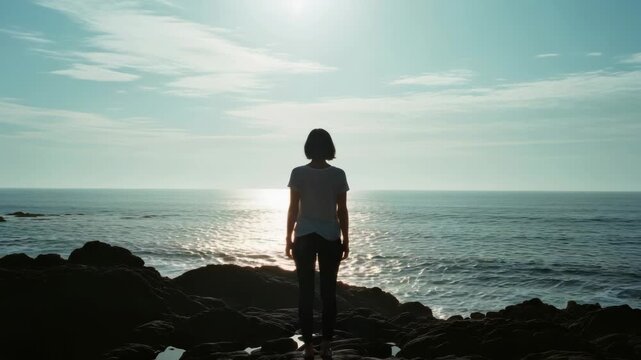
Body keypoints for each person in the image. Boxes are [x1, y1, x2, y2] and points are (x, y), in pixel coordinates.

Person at [286, 128, 349, 360]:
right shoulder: (338, 174)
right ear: (329, 147)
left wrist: (288, 238)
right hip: (330, 237)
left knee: (305, 293)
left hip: (303, 236)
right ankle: (327, 345)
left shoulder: (298, 173)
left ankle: (309, 348)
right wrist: (346, 239)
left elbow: (293, 209)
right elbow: (341, 210)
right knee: (328, 293)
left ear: (309, 147)